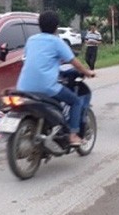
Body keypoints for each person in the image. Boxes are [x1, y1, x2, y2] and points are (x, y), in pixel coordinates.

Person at [17, 11, 95, 146]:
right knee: (76, 101)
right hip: (46, 87)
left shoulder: (31, 40)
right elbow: (73, 62)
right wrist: (87, 72)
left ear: (39, 25)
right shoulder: (57, 42)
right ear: (56, 27)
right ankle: (73, 135)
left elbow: (31, 59)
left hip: (23, 87)